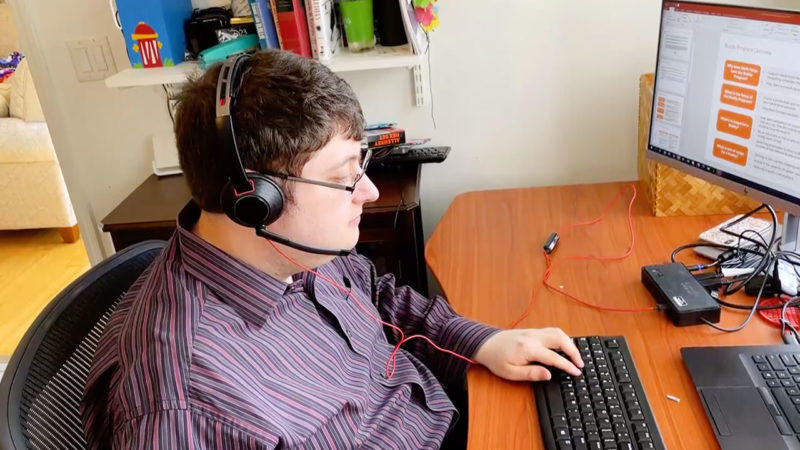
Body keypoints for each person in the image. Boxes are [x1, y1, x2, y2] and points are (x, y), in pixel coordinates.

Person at [81, 50, 583, 449]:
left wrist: (481, 342)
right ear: (255, 201)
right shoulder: (186, 405)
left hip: (452, 414)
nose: (366, 192)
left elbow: (379, 296)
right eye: (343, 178)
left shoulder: (294, 250)